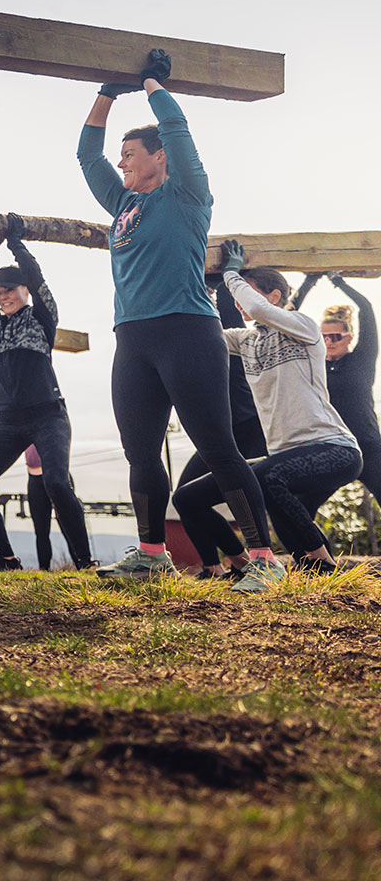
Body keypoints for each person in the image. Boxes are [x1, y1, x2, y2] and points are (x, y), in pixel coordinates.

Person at [78, 52, 279, 587]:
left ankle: (265, 560)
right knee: (140, 452)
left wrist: (150, 83)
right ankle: (151, 555)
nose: (121, 162)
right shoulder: (122, 204)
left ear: (160, 157)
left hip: (187, 331)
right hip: (133, 339)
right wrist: (107, 92)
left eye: (130, 154)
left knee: (217, 446)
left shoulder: (187, 193)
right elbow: (86, 155)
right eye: (121, 155)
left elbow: (178, 129)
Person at [174, 250, 363, 588]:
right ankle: (243, 564)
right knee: (187, 498)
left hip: (333, 448)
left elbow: (259, 309)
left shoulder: (303, 327)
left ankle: (323, 562)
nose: (240, 302)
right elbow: (202, 334)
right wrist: (205, 291)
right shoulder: (246, 340)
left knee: (269, 477)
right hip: (283, 456)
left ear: (274, 296)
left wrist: (231, 274)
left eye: (246, 292)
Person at [0, 216, 93, 573]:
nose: (3, 297)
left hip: (48, 416)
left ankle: (85, 562)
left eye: (10, 290)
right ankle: (8, 558)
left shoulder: (43, 317)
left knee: (57, 483)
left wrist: (15, 243)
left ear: (25, 290)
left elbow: (36, 275)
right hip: (8, 422)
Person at [176, 277, 268, 577]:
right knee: (183, 497)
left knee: (260, 494)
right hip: (218, 431)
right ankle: (218, 567)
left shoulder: (234, 333)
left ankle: (268, 562)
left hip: (248, 428)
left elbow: (227, 305)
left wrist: (227, 272)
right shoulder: (196, 333)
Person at [294, 272, 381, 503]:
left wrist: (337, 280)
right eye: (323, 337)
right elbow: (284, 319)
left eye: (335, 336)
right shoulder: (313, 364)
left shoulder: (362, 358)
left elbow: (366, 307)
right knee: (302, 506)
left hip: (368, 447)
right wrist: (308, 282)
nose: (329, 342)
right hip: (332, 449)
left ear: (349, 337)